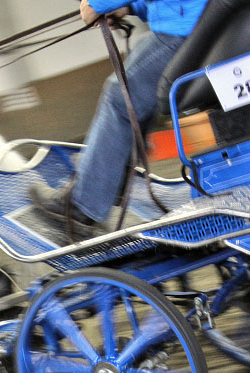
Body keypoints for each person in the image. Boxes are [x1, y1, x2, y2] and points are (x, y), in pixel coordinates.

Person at [30, 0, 209, 235]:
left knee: (119, 96)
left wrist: (98, 3)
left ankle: (81, 207)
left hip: (190, 28)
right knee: (132, 89)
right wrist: (130, 7)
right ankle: (111, 181)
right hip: (199, 20)